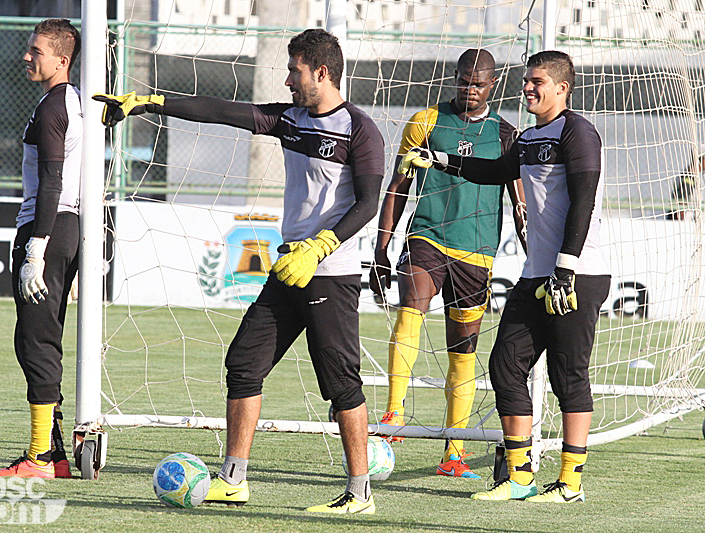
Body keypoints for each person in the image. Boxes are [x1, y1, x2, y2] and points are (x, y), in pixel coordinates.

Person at [94, 29, 385, 514]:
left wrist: (319, 247)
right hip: (288, 267)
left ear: (322, 72)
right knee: (244, 363)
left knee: (340, 383)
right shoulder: (289, 119)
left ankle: (360, 493)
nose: (288, 79)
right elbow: (220, 111)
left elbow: (369, 202)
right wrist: (151, 102)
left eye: (295, 70)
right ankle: (233, 480)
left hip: (329, 271)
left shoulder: (360, 128)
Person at [399, 50, 610, 503]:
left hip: (578, 274)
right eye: (527, 81)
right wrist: (438, 158)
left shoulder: (579, 132)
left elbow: (584, 201)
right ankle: (519, 476)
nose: (528, 88)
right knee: (504, 366)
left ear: (561, 88)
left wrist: (565, 268)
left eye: (537, 82)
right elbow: (495, 171)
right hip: (537, 275)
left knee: (567, 376)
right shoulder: (531, 137)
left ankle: (570, 483)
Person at [370, 49, 526, 480]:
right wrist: (382, 249)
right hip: (427, 237)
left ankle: (453, 454)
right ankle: (394, 413)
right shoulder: (426, 122)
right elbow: (397, 188)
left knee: (463, 353)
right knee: (411, 309)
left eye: (477, 83)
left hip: (476, 253)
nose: (468, 89)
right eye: (462, 80)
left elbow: (520, 203)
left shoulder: (507, 135)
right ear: (454, 78)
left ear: (492, 85)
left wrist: (539, 257)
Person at [0, 19, 82, 479]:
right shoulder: (74, 102)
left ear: (61, 60)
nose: (27, 57)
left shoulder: (52, 110)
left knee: (36, 341)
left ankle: (39, 457)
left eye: (36, 51)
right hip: (71, 226)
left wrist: (35, 251)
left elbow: (52, 181)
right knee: (43, 339)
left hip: (47, 226)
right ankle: (57, 454)